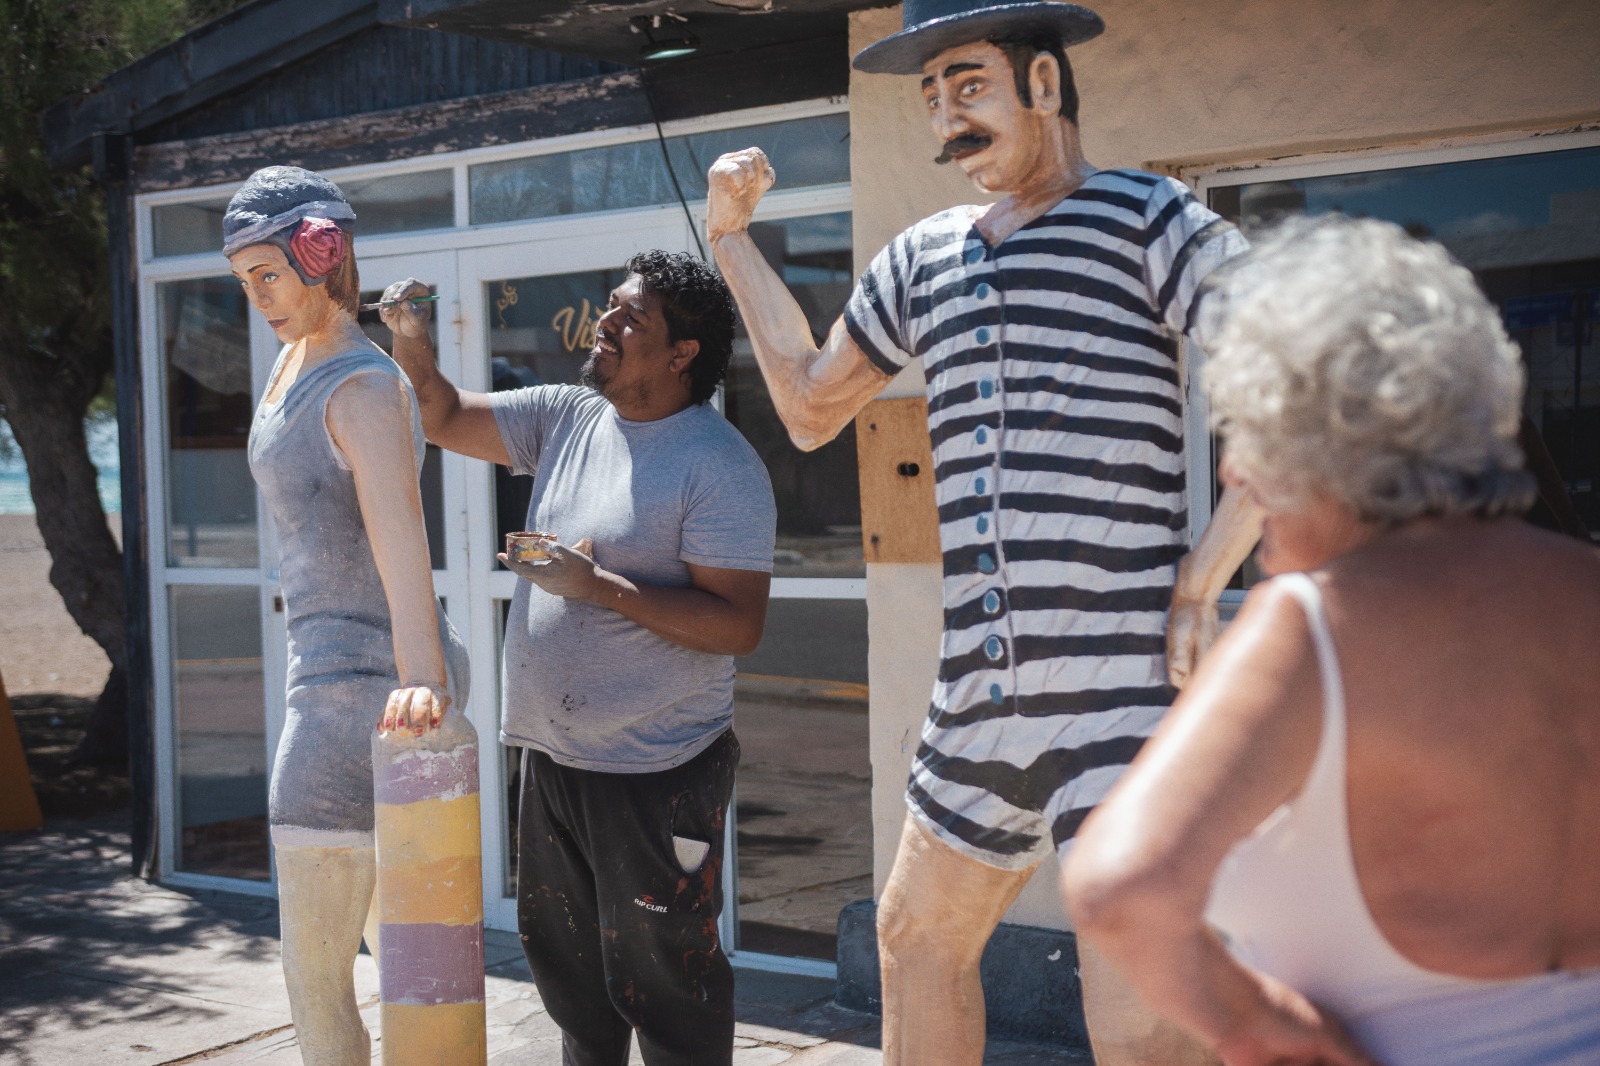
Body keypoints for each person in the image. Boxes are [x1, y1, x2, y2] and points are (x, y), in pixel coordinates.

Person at [704, 1, 1260, 1062]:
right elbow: (815, 404)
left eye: (966, 88)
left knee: (1138, 998)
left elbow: (1300, 378)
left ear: (1042, 84)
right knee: (914, 937)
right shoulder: (924, 257)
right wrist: (731, 241)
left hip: (1124, 689)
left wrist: (1201, 580)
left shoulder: (1150, 219)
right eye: (929, 99)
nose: (943, 124)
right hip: (977, 696)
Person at [1063, 217, 1600, 1066]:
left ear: (1316, 437)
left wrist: (1259, 1021)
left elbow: (1121, 887)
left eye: (1244, 429)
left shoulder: (1312, 622)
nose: (1234, 472)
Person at [380, 250, 776, 1066]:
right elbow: (443, 415)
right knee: (574, 989)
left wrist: (597, 586)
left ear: (681, 354)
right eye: (611, 305)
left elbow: (739, 626)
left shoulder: (718, 463)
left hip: (658, 773)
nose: (607, 321)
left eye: (634, 316)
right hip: (554, 761)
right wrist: (413, 344)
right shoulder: (567, 415)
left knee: (671, 988)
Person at [228, 165, 470, 1064]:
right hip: (330, 675)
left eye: (268, 275)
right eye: (244, 282)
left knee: (323, 972)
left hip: (365, 690)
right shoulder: (297, 361)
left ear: (319, 255)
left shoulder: (362, 389)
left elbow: (404, 541)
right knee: (404, 951)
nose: (259, 298)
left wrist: (423, 683)